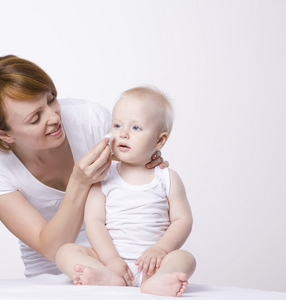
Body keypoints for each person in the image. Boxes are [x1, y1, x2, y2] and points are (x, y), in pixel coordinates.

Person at [0, 55, 165, 278]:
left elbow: (140, 168)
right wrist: (79, 182)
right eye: (35, 118)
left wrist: (149, 159)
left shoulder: (89, 119)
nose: (53, 117)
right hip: (56, 267)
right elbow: (51, 248)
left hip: (120, 256)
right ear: (4, 134)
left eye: (51, 100)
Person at [55, 87, 196, 297]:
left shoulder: (167, 177)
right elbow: (94, 222)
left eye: (136, 127)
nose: (123, 133)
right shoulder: (103, 177)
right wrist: (110, 259)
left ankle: (158, 280)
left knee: (185, 258)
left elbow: (182, 220)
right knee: (65, 252)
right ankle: (105, 277)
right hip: (110, 262)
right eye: (117, 125)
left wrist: (161, 250)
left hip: (152, 264)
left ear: (159, 140)